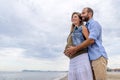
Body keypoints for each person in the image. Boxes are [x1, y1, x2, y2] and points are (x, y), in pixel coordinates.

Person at [66, 7, 108, 80]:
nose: (82, 15)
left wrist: (75, 49)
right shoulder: (86, 26)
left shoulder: (94, 24)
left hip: (98, 57)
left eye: (83, 13)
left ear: (90, 14)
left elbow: (91, 40)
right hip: (90, 58)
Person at [64, 12, 93, 80]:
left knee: (83, 77)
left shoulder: (82, 28)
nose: (73, 18)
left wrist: (75, 49)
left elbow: (89, 41)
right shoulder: (72, 32)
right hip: (72, 59)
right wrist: (66, 52)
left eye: (75, 16)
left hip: (81, 57)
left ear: (80, 19)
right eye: (72, 17)